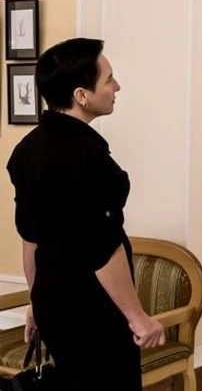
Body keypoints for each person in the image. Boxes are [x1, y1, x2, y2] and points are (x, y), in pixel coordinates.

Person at [6, 38, 166, 391]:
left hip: (53, 302)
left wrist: (36, 300)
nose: (116, 87)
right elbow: (102, 249)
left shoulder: (26, 150)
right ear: (81, 95)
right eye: (108, 79)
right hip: (92, 307)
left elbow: (30, 238)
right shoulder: (86, 158)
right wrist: (137, 317)